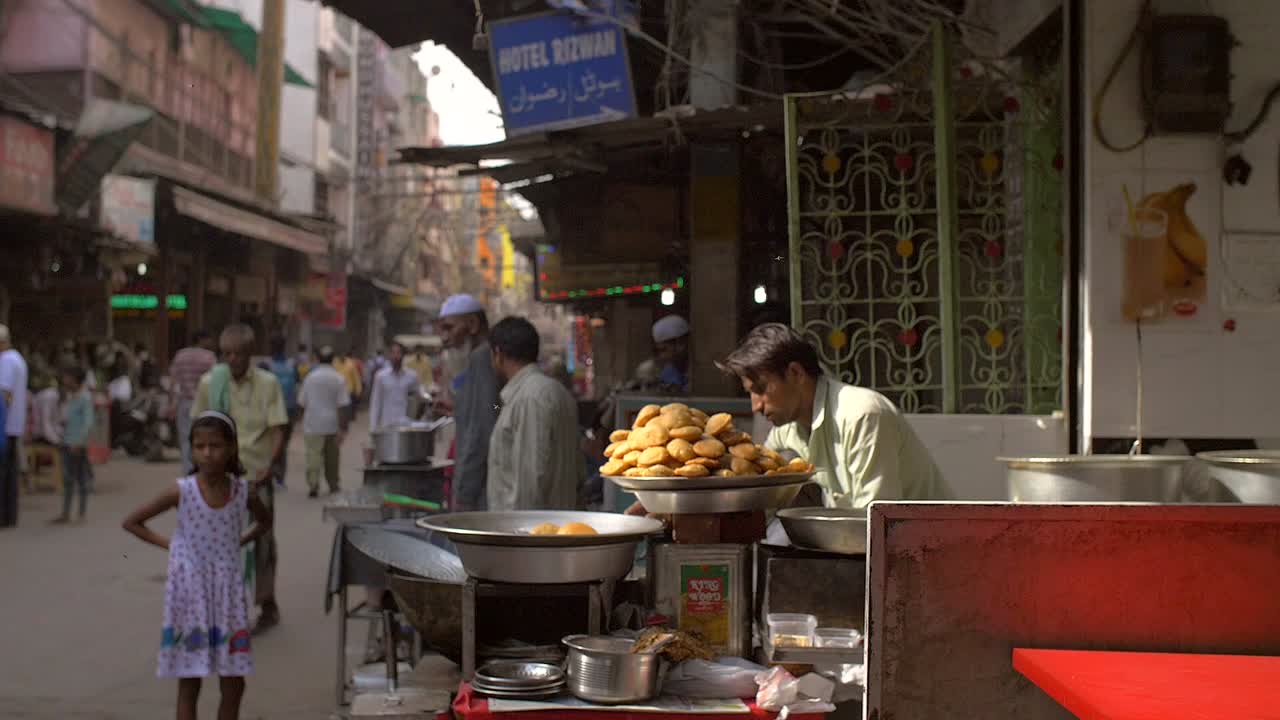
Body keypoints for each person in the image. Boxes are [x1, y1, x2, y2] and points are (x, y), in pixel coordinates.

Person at [122, 411, 271, 720]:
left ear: (231, 448)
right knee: (190, 681)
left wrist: (239, 541)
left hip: (227, 595)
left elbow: (265, 521)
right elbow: (132, 522)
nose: (207, 453)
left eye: (215, 445)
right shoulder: (183, 490)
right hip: (191, 595)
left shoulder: (244, 492)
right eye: (199, 445)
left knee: (233, 684)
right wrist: (174, 546)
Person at [717, 323, 950, 508]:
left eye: (760, 389)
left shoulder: (862, 415)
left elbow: (876, 521)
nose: (756, 406)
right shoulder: (785, 429)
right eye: (750, 393)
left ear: (795, 373)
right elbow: (765, 501)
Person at [191, 324, 288, 633]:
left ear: (250, 353)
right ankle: (224, 607)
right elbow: (199, 428)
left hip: (257, 477)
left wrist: (269, 465)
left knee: (261, 540)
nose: (233, 360)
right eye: (227, 354)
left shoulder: (268, 383)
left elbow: (277, 429)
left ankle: (266, 602)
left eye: (239, 354)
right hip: (221, 476)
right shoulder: (211, 383)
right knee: (218, 542)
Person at [486, 317, 584, 511]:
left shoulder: (528, 398)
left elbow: (529, 485)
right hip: (558, 525)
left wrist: (521, 536)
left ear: (498, 354)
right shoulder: (555, 391)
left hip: (532, 532)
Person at [437, 294, 500, 511]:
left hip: (481, 487)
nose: (444, 338)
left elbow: (482, 428)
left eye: (449, 328)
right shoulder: (481, 357)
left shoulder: (481, 358)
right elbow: (493, 407)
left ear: (472, 325)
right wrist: (460, 409)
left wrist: (464, 492)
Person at [297, 346, 349, 498]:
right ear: (333, 360)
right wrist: (343, 428)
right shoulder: (338, 378)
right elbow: (343, 405)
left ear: (317, 359)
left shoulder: (310, 377)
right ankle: (333, 485)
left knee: (313, 456)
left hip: (312, 424)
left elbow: (301, 402)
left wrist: (300, 421)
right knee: (332, 458)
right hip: (332, 425)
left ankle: (313, 485)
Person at [171, 331, 218, 470]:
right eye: (208, 339)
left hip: (184, 402)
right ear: (201, 340)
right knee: (205, 439)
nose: (210, 342)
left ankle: (188, 471)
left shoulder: (180, 356)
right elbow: (215, 382)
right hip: (204, 404)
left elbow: (173, 381)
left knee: (186, 439)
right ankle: (203, 469)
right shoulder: (209, 357)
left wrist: (171, 403)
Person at [52, 366, 93, 524]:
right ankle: (66, 513)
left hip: (76, 443)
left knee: (81, 478)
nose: (65, 380)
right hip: (67, 440)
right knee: (67, 478)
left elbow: (88, 423)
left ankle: (81, 514)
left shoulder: (84, 397)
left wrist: (80, 441)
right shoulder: (70, 396)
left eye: (68, 377)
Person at [261, 337, 300, 487]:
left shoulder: (265, 365)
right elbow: (297, 384)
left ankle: (270, 473)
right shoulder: (292, 365)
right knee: (283, 444)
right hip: (289, 410)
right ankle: (280, 477)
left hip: (269, 410)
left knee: (269, 442)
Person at [0, 324, 28, 527]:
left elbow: (4, 395)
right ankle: (9, 516)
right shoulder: (16, 358)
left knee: (4, 475)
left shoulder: (7, 361)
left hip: (5, 426)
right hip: (12, 425)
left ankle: (3, 516)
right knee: (9, 473)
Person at [369, 342, 421, 431]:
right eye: (393, 353)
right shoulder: (381, 376)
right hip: (387, 424)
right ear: (389, 355)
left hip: (406, 425)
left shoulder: (412, 376)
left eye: (398, 353)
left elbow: (418, 398)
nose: (395, 356)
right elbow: (376, 402)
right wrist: (373, 427)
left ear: (403, 355)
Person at [651, 315, 691, 393]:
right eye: (658, 351)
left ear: (680, 344)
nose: (661, 356)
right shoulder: (668, 372)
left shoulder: (699, 372)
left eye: (664, 349)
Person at [334, 351, 364, 423]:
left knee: (347, 406)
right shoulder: (334, 363)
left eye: (343, 355)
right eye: (340, 355)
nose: (342, 356)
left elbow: (356, 378)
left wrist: (358, 390)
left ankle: (346, 419)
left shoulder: (351, 364)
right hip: (337, 389)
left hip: (348, 390)